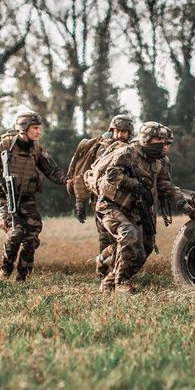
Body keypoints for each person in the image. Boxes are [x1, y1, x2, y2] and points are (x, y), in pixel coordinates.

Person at [89, 122, 188, 294]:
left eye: (166, 142)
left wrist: (181, 202)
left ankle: (107, 269)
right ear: (147, 140)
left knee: (144, 249)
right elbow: (112, 175)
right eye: (159, 140)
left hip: (136, 209)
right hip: (111, 204)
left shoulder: (161, 161)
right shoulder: (128, 152)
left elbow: (164, 183)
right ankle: (120, 282)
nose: (164, 145)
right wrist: (135, 185)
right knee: (129, 236)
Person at [0, 111, 66, 281]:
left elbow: (52, 171)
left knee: (32, 235)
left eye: (39, 128)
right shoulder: (6, 145)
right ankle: (5, 267)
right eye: (35, 128)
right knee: (16, 233)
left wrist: (67, 181)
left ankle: (23, 275)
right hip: (6, 198)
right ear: (24, 128)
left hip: (27, 199)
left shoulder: (37, 149)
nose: (38, 132)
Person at [66, 115, 134, 277]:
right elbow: (85, 176)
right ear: (112, 131)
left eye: (124, 132)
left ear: (129, 133)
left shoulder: (130, 150)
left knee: (120, 237)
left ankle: (108, 267)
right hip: (102, 200)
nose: (120, 135)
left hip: (122, 201)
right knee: (106, 237)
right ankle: (105, 271)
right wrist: (80, 203)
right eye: (117, 131)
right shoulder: (103, 149)